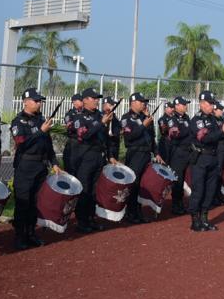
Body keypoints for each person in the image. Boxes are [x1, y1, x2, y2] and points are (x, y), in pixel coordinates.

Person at [10, 88, 61, 249]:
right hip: (25, 166)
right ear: (25, 101)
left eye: (40, 101)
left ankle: (31, 233)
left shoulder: (41, 120)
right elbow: (22, 143)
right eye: (35, 100)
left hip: (40, 166)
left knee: (35, 202)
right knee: (23, 203)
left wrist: (54, 163)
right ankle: (20, 236)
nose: (39, 103)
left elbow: (48, 145)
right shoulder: (18, 121)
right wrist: (40, 132)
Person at [70, 87, 117, 233]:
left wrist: (110, 155)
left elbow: (106, 138)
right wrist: (100, 123)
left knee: (95, 190)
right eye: (94, 98)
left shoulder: (100, 115)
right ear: (84, 100)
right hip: (85, 157)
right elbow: (84, 135)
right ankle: (82, 221)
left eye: (97, 98)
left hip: (99, 156)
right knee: (84, 188)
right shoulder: (79, 117)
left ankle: (91, 218)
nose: (97, 100)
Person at [188, 91, 224, 232]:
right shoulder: (197, 120)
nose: (212, 106)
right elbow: (205, 138)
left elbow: (215, 136)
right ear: (202, 103)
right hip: (201, 159)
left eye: (213, 103)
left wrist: (223, 132)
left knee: (210, 190)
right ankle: (195, 221)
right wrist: (222, 132)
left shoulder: (213, 119)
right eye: (210, 103)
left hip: (213, 157)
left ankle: (205, 219)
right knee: (199, 190)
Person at [120, 92, 162, 224]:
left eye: (144, 101)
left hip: (145, 154)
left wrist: (156, 152)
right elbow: (129, 137)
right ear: (133, 103)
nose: (144, 103)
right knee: (134, 183)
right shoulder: (126, 118)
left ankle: (138, 211)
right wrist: (143, 125)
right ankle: (130, 212)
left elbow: (151, 137)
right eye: (141, 101)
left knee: (142, 184)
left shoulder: (145, 117)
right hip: (135, 154)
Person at [160, 96, 192, 215]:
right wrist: (188, 131)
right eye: (184, 105)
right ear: (177, 106)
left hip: (187, 151)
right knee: (177, 180)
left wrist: (186, 131)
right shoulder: (172, 119)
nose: (186, 106)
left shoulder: (186, 117)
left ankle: (180, 204)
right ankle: (175, 205)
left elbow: (186, 131)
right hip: (177, 152)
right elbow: (176, 134)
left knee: (183, 178)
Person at [62, 93, 84, 171]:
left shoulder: (85, 112)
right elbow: (69, 124)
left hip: (84, 143)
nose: (82, 102)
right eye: (80, 100)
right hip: (74, 143)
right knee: (71, 167)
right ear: (74, 102)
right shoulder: (70, 113)